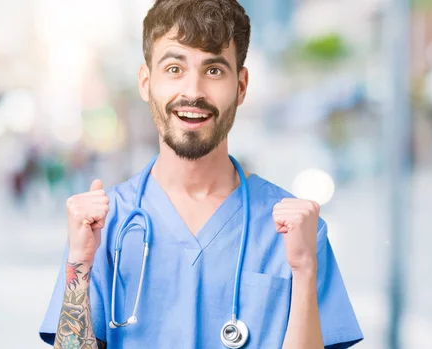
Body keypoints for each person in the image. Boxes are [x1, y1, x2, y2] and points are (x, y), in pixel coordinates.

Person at [39, 1, 363, 348]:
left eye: (213, 71)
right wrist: (79, 263)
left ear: (241, 86)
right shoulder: (106, 226)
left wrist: (303, 269)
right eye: (175, 68)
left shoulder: (294, 229)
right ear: (146, 82)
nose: (193, 92)